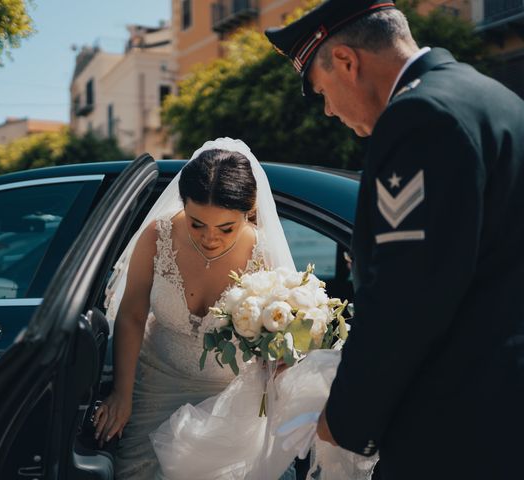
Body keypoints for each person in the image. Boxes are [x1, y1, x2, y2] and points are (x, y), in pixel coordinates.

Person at [265, 0, 524, 478]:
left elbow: (406, 300)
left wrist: (342, 421)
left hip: (459, 432)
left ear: (346, 61)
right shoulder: (497, 99)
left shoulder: (419, 118)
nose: (327, 111)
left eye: (322, 93)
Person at [94, 138, 297, 479]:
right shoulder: (157, 237)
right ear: (183, 205)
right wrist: (121, 394)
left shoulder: (264, 256)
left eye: (226, 228)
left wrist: (278, 358)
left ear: (248, 213)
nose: (210, 239)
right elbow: (131, 315)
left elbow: (279, 336)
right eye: (196, 223)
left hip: (232, 400)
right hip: (156, 386)